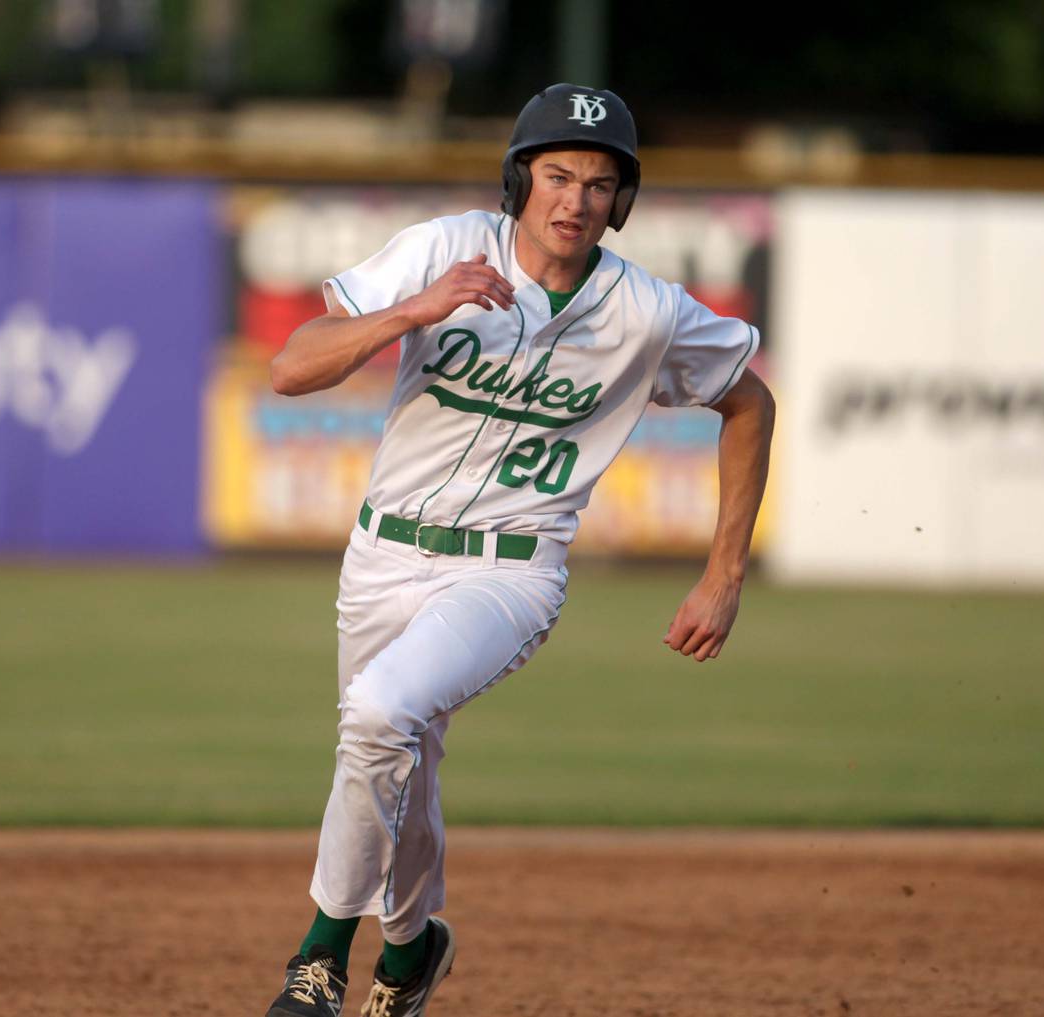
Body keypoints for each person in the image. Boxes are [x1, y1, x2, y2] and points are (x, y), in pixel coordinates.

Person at [262, 82, 775, 1017]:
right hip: (380, 555)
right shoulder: (446, 248)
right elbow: (292, 366)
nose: (574, 199)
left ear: (621, 201)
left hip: (510, 568)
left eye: (598, 182)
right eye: (557, 174)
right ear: (519, 179)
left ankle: (319, 957)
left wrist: (724, 571)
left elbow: (749, 399)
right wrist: (413, 311)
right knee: (396, 756)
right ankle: (412, 952)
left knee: (380, 714)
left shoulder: (646, 312)